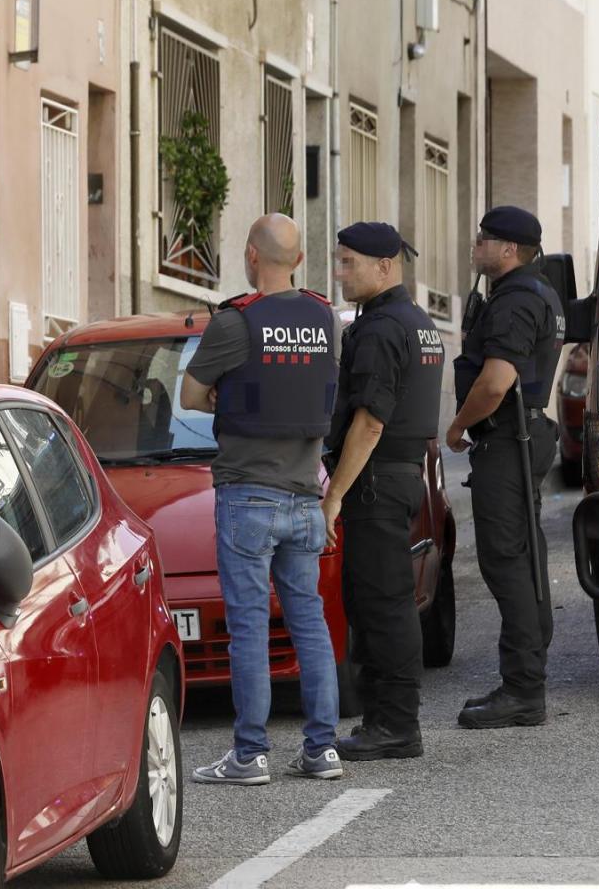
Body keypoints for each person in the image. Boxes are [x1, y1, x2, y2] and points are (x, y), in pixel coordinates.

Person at [181, 213, 344, 786]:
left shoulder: (235, 322)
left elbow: (191, 394)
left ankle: (250, 755)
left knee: (249, 627)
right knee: (310, 623)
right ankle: (323, 749)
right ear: (298, 261)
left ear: (252, 256)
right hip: (306, 496)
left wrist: (227, 396)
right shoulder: (325, 318)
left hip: (248, 495)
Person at [322, 222, 444, 760]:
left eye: (349, 262)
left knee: (382, 606)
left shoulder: (380, 329)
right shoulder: (418, 322)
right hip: (400, 477)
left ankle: (394, 725)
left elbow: (370, 422)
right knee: (382, 601)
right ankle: (386, 721)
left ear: (385, 266)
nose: (340, 272)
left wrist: (334, 495)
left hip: (376, 482)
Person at [446, 206, 565, 729]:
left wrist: (457, 426)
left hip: (508, 438)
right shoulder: (539, 291)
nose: (476, 246)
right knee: (523, 553)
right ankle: (526, 676)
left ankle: (523, 688)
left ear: (509, 249)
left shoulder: (516, 300)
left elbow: (495, 383)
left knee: (505, 559)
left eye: (483, 239)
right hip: (524, 435)